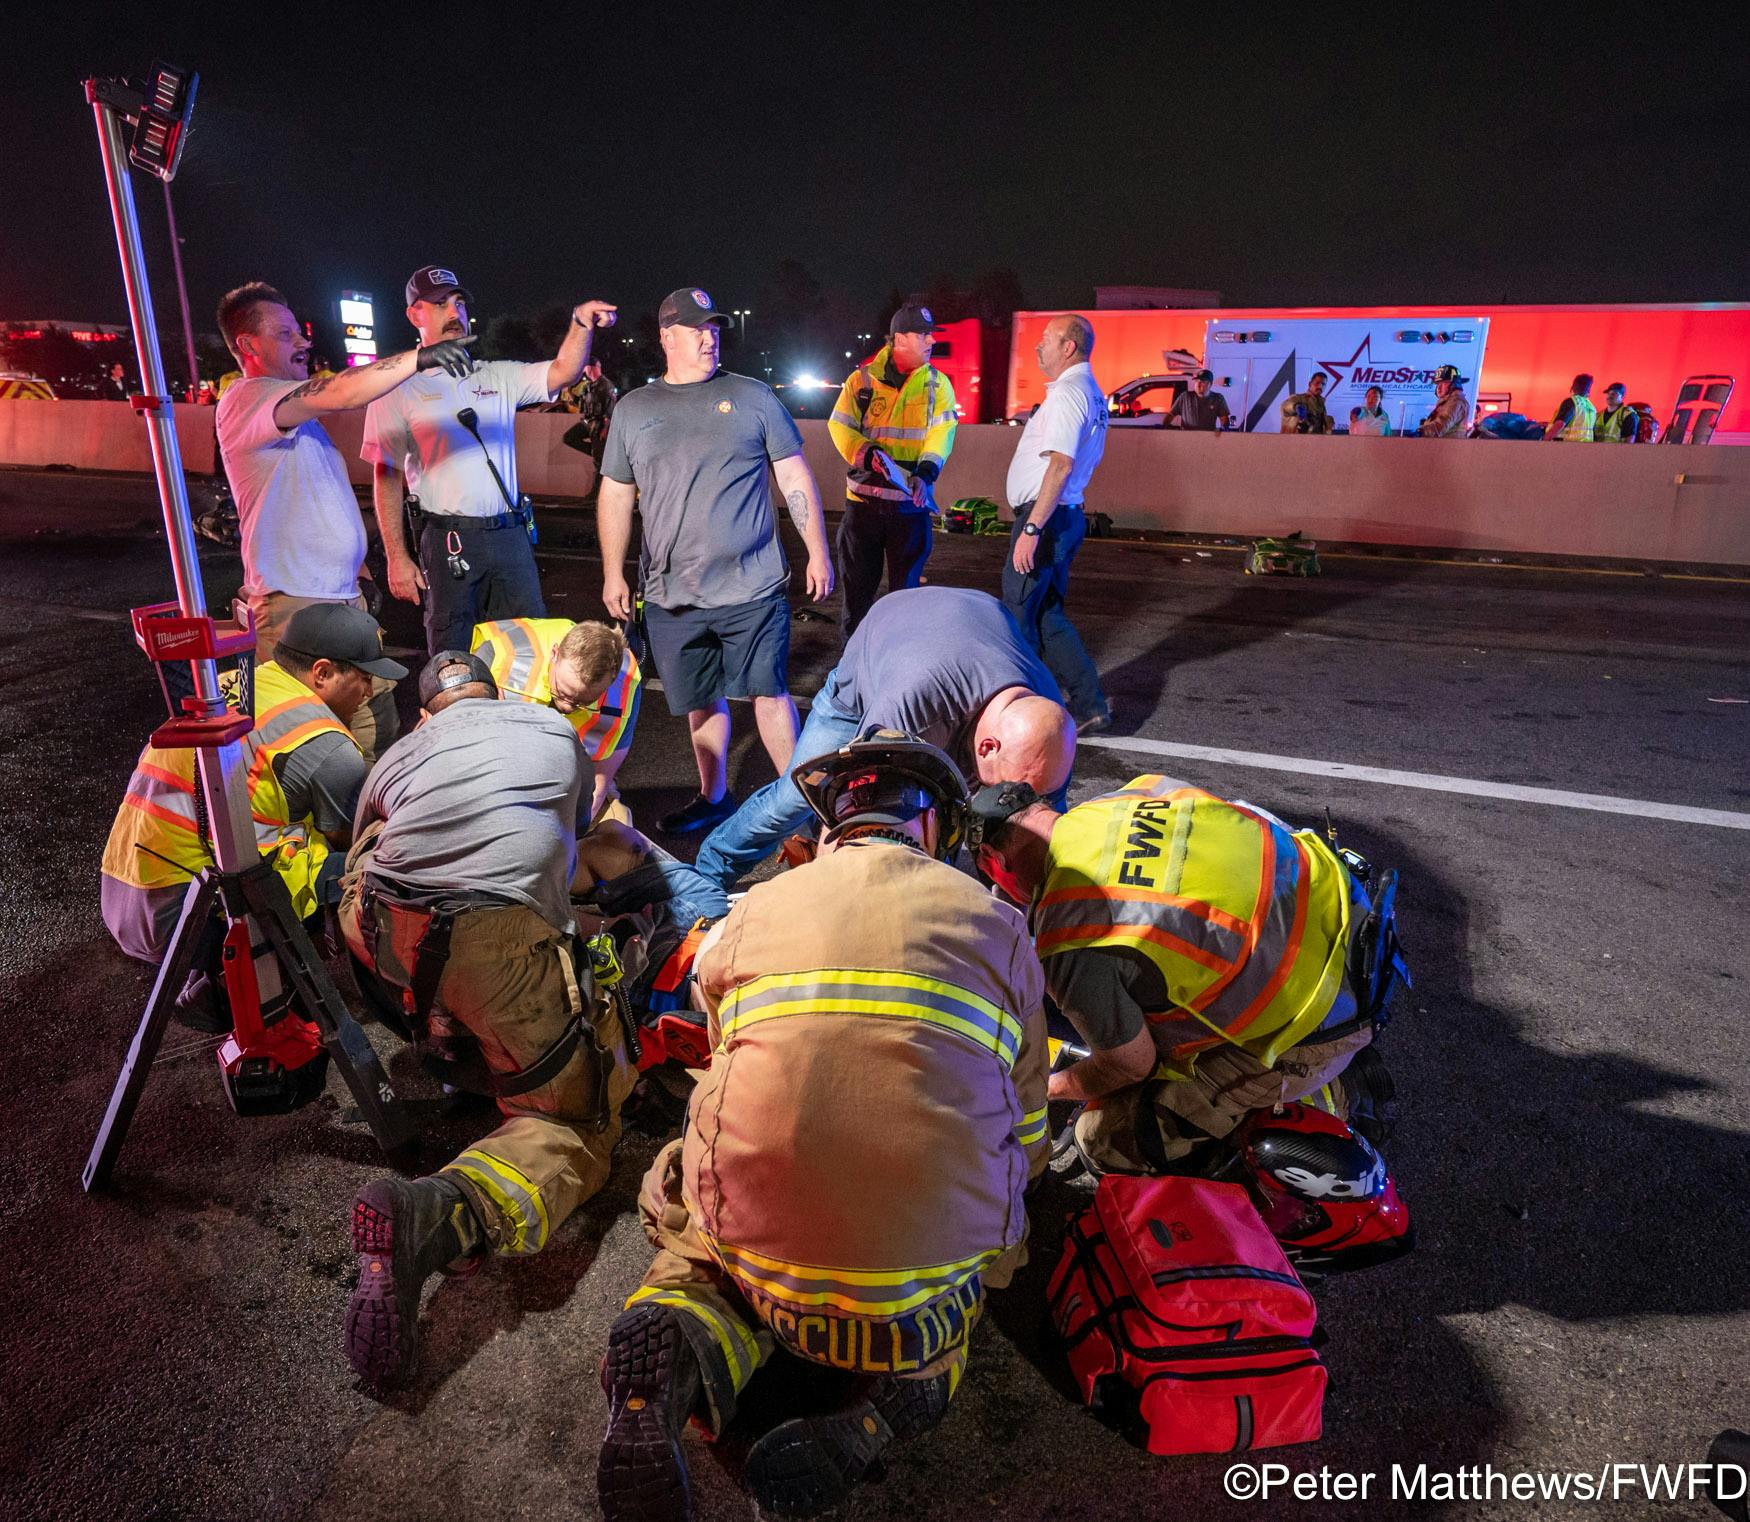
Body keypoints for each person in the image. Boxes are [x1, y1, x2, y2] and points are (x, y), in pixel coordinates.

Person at [596, 733, 1049, 1521]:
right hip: (911, 1298)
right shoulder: (1002, 929)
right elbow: (1031, 1132)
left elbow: (719, 1037)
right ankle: (893, 1403)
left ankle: (673, 1348)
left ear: (834, 825)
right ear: (934, 829)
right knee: (976, 1247)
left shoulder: (757, 907)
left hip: (762, 1265)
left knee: (691, 1194)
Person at [340, 650, 633, 1389]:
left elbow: (360, 847)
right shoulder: (550, 728)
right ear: (497, 694)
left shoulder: (399, 752)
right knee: (580, 1126)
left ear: (424, 712)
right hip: (490, 946)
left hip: (382, 929)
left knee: (378, 850)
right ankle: (443, 1214)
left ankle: (441, 1025)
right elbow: (565, 854)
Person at [968, 773, 1375, 1176]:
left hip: (1315, 1023)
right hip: (1348, 920)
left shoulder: (1071, 937)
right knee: (1141, 980)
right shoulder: (1137, 791)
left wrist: (1047, 1088)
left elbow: (1129, 1064)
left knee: (1103, 1140)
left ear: (997, 861)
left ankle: (1318, 1098)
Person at [597, 287, 834, 836]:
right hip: (670, 593)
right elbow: (614, 493)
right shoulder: (635, 409)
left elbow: (794, 475)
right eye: (698, 329)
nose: (710, 339)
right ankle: (713, 796)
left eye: (715, 329)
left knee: (768, 693)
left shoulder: (752, 398)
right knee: (700, 700)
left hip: (751, 587)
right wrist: (612, 571)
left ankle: (806, 813)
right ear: (666, 336)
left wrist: (817, 551)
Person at [100, 604, 405, 1023]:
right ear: (322, 673)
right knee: (372, 866)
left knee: (296, 833)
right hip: (187, 922)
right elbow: (352, 839)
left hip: (126, 896)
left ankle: (225, 977)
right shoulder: (328, 748)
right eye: (363, 676)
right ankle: (248, 987)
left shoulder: (242, 683)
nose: (369, 691)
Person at [214, 281, 475, 761]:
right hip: (296, 610)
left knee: (373, 738)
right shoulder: (246, 399)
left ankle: (369, 834)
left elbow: (318, 501)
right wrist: (421, 357)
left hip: (343, 600)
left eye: (300, 332)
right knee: (303, 750)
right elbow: (342, 391)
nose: (303, 341)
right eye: (286, 333)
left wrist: (359, 572)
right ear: (248, 345)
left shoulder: (297, 421)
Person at [694, 585, 1075, 890]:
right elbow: (849, 813)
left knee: (977, 821)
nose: (1011, 798)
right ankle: (708, 873)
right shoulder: (913, 703)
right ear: (987, 747)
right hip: (876, 668)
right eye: (1009, 787)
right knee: (797, 798)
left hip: (960, 630)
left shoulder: (1047, 722)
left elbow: (1039, 829)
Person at [364, 266, 617, 654]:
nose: (454, 312)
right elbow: (386, 475)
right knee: (454, 655)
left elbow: (563, 371)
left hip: (509, 536)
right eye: (440, 304)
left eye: (459, 302)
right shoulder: (396, 387)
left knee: (528, 649)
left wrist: (581, 322)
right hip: (449, 538)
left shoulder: (497, 376)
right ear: (415, 315)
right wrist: (398, 557)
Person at [1003, 313, 1112, 733]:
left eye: (1046, 339)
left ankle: (1027, 718)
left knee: (1018, 617)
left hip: (1045, 520)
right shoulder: (1089, 392)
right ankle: (1089, 705)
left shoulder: (1069, 393)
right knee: (1048, 616)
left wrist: (1030, 529)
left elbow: (1060, 465)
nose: (1038, 345)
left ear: (1069, 347)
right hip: (1064, 517)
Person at [826, 302, 959, 640]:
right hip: (863, 508)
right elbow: (839, 426)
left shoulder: (937, 385)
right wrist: (866, 452)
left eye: (932, 335)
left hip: (909, 509)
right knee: (857, 601)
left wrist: (926, 473)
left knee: (905, 601)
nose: (931, 341)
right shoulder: (862, 380)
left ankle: (896, 674)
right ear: (899, 338)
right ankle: (853, 675)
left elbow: (941, 434)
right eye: (924, 334)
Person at [470, 616, 643, 823]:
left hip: (568, 772)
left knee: (616, 827)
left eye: (582, 702)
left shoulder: (624, 686)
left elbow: (601, 777)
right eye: (562, 693)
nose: (568, 707)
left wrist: (572, 831)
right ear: (554, 655)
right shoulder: (499, 658)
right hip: (498, 764)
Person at [1418, 365, 1471, 438]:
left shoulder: (1456, 402)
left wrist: (1420, 432)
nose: (1439, 387)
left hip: (1448, 447)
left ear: (1455, 384)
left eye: (1444, 383)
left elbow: (1440, 427)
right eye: (1437, 384)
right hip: (1443, 446)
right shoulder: (1447, 402)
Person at [1545, 373, 1597, 442]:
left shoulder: (1572, 402)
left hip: (1567, 447)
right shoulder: (1592, 408)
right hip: (1586, 448)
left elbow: (1559, 424)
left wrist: (1544, 440)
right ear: (1589, 390)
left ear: (1574, 386)